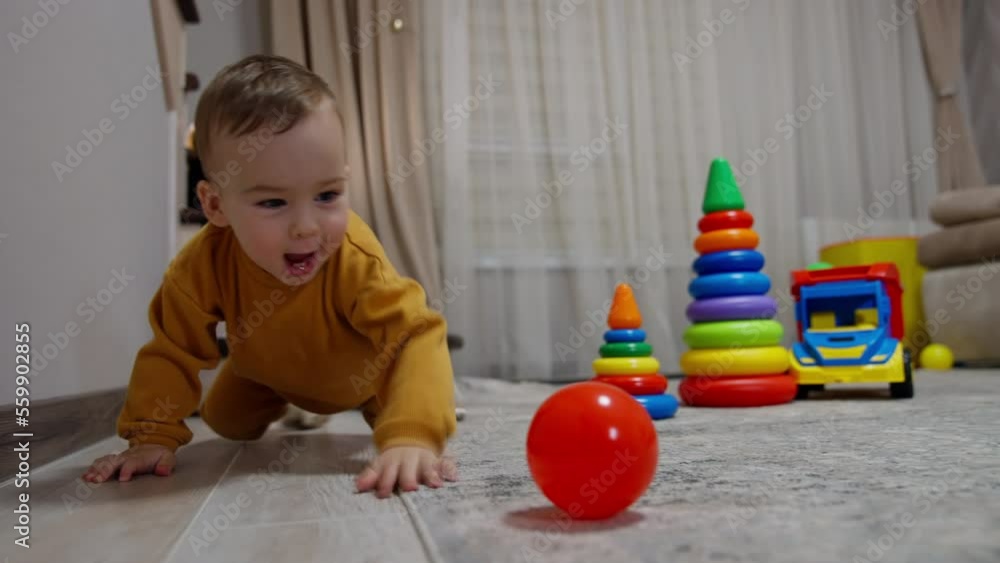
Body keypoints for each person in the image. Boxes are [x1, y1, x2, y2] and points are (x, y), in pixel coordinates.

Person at [82, 54, 458, 498]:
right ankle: (277, 396)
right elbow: (173, 350)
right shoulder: (199, 265)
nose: (306, 226)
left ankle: (380, 407)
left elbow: (415, 333)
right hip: (262, 372)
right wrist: (150, 436)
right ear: (215, 205)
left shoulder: (354, 256)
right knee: (225, 422)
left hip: (363, 378)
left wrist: (413, 434)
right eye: (273, 203)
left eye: (327, 195)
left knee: (401, 406)